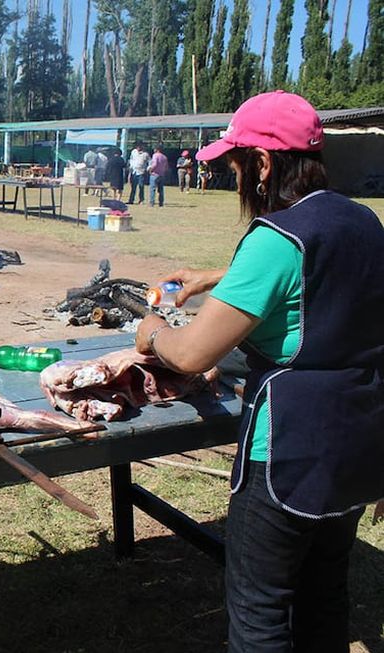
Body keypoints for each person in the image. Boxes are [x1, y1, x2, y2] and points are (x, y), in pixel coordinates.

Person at [133, 91, 384, 653]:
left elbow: (194, 353)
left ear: (264, 164)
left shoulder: (272, 239)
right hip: (357, 447)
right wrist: (211, 275)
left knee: (261, 615)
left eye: (236, 164)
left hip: (288, 452)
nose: (235, 178)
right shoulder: (364, 222)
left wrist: (152, 331)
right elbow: (312, 268)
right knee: (324, 596)